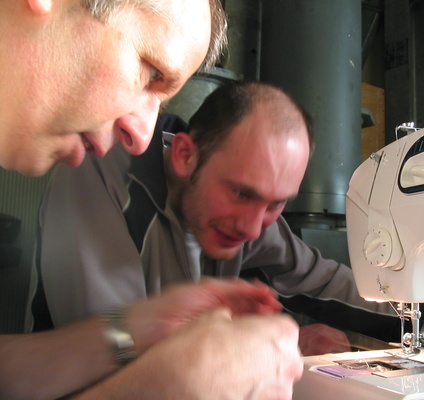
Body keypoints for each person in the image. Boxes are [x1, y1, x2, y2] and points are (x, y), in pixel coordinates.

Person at [0, 1, 303, 399]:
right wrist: (158, 389)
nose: (143, 137)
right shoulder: (101, 177)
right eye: (150, 71)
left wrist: (136, 327)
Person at [34, 80, 402, 358]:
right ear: (184, 156)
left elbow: (317, 280)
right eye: (242, 194)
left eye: (276, 204)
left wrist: (413, 321)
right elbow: (110, 343)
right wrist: (257, 346)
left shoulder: (250, 213)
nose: (254, 228)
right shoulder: (99, 174)